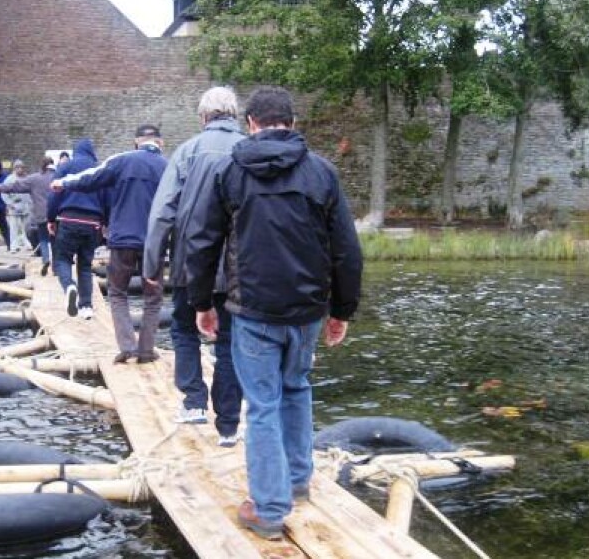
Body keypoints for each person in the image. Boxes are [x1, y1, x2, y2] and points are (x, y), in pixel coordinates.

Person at [184, 86, 363, 540]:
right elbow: (346, 251)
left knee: (262, 406)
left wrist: (202, 303)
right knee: (297, 389)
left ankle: (268, 509)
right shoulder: (321, 173)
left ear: (250, 124)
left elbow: (202, 242)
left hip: (253, 311)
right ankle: (298, 481)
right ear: (292, 123)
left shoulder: (231, 172)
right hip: (306, 312)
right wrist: (341, 310)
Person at [143, 86, 245, 447]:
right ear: (236, 115)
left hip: (191, 260)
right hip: (238, 266)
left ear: (203, 118)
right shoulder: (249, 151)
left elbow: (162, 212)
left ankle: (194, 402)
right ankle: (230, 423)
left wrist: (152, 263)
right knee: (231, 342)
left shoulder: (187, 152)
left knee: (185, 330)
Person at [53, 124, 166, 364]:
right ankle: (146, 350)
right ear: (161, 143)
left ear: (136, 142)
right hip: (154, 242)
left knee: (118, 293)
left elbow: (91, 178)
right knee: (153, 296)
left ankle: (127, 346)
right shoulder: (169, 167)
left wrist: (63, 183)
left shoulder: (121, 160)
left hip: (123, 238)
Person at [48, 139, 106, 319]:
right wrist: (105, 221)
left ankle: (69, 287)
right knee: (85, 266)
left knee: (62, 260)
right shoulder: (100, 169)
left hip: (68, 218)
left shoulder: (65, 167)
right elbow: (108, 196)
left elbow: (54, 194)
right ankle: (86, 307)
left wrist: (51, 218)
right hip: (92, 222)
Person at [0, 157, 56, 274]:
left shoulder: (34, 178)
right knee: (55, 240)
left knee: (43, 239)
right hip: (57, 214)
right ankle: (56, 266)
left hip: (41, 214)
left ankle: (46, 259)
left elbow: (16, 186)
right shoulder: (59, 176)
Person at [2, 159, 32, 252]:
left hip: (26, 206)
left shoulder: (27, 178)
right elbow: (3, 192)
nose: (20, 169)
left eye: (21, 167)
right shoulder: (9, 179)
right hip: (14, 206)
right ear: (14, 168)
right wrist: (9, 203)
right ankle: (14, 246)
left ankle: (28, 243)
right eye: (18, 167)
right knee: (14, 227)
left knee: (27, 227)